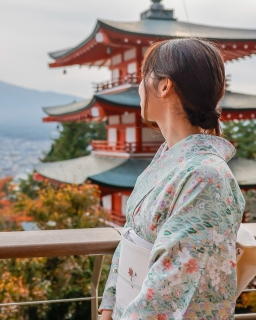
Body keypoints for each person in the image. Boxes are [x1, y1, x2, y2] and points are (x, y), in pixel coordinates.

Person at [99, 39, 245, 320]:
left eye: (144, 77)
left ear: (165, 85)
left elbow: (168, 292)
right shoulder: (170, 160)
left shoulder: (205, 175)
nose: (139, 88)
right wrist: (108, 307)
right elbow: (130, 236)